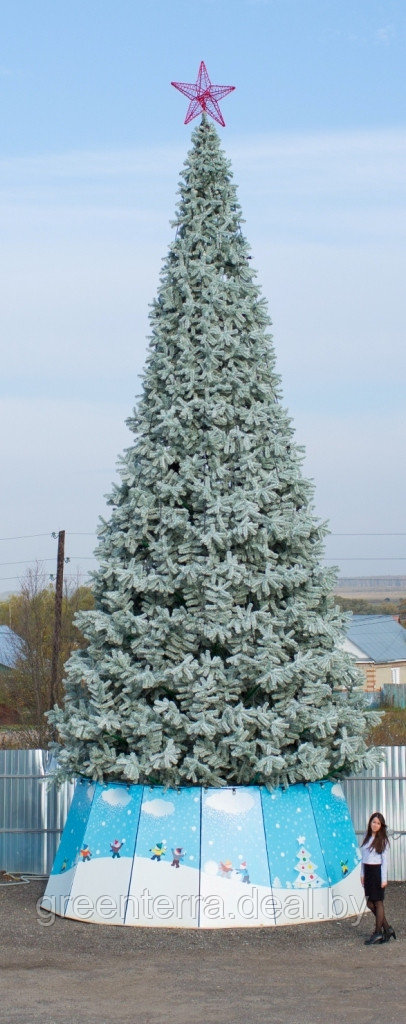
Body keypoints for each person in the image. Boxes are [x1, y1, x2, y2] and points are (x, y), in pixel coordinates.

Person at [361, 811, 396, 945]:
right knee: (370, 903)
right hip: (368, 872)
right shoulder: (366, 836)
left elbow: (384, 861)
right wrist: (362, 874)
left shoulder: (383, 840)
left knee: (377, 902)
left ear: (381, 826)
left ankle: (377, 933)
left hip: (377, 872)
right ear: (370, 823)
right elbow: (363, 858)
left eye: (378, 823)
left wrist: (384, 879)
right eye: (373, 822)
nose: (375, 825)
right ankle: (387, 928)